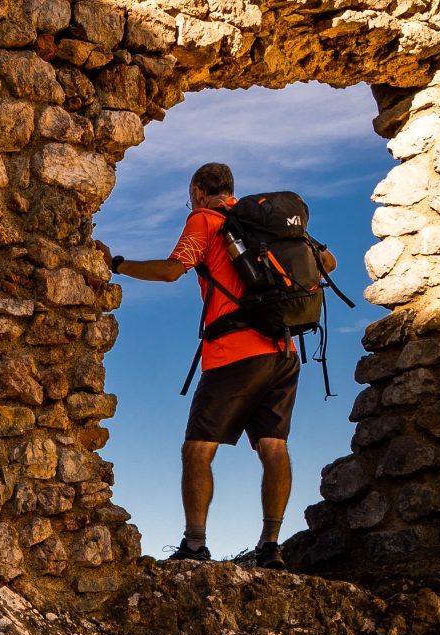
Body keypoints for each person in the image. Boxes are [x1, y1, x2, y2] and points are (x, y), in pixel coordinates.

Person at [109, 162, 336, 568]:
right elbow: (329, 263)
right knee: (272, 445)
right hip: (284, 350)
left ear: (197, 190)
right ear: (231, 189)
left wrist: (117, 265)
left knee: (197, 449)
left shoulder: (207, 221)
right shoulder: (266, 225)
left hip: (234, 352)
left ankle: (195, 545)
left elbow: (169, 271)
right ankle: (270, 546)